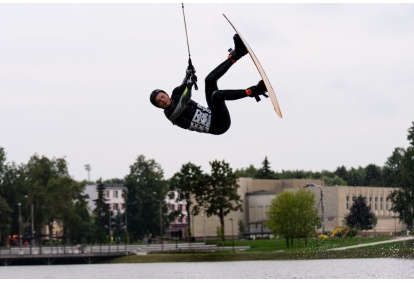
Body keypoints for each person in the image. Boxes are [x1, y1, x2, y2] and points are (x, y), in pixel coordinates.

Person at [149, 34, 268, 135]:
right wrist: (189, 87)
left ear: (166, 94)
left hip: (212, 112)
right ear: (159, 107)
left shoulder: (175, 94)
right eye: (159, 102)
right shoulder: (170, 114)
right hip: (218, 125)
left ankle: (237, 54)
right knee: (217, 95)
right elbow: (184, 101)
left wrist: (188, 73)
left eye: (162, 97)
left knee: (209, 80)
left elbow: (183, 85)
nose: (162, 101)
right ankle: (254, 91)